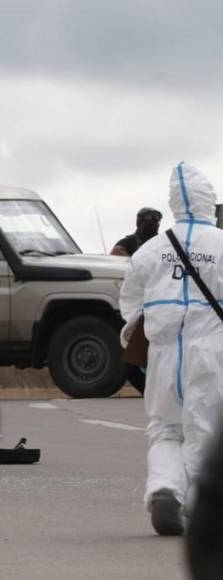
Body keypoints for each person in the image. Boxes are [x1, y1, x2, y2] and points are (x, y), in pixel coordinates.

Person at [119, 162, 223, 535]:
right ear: (209, 200)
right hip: (211, 354)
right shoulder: (221, 245)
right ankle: (200, 507)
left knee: (165, 429)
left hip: (164, 357)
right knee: (206, 431)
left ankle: (164, 488)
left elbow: (130, 305)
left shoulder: (152, 250)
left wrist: (143, 338)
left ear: (175, 202)